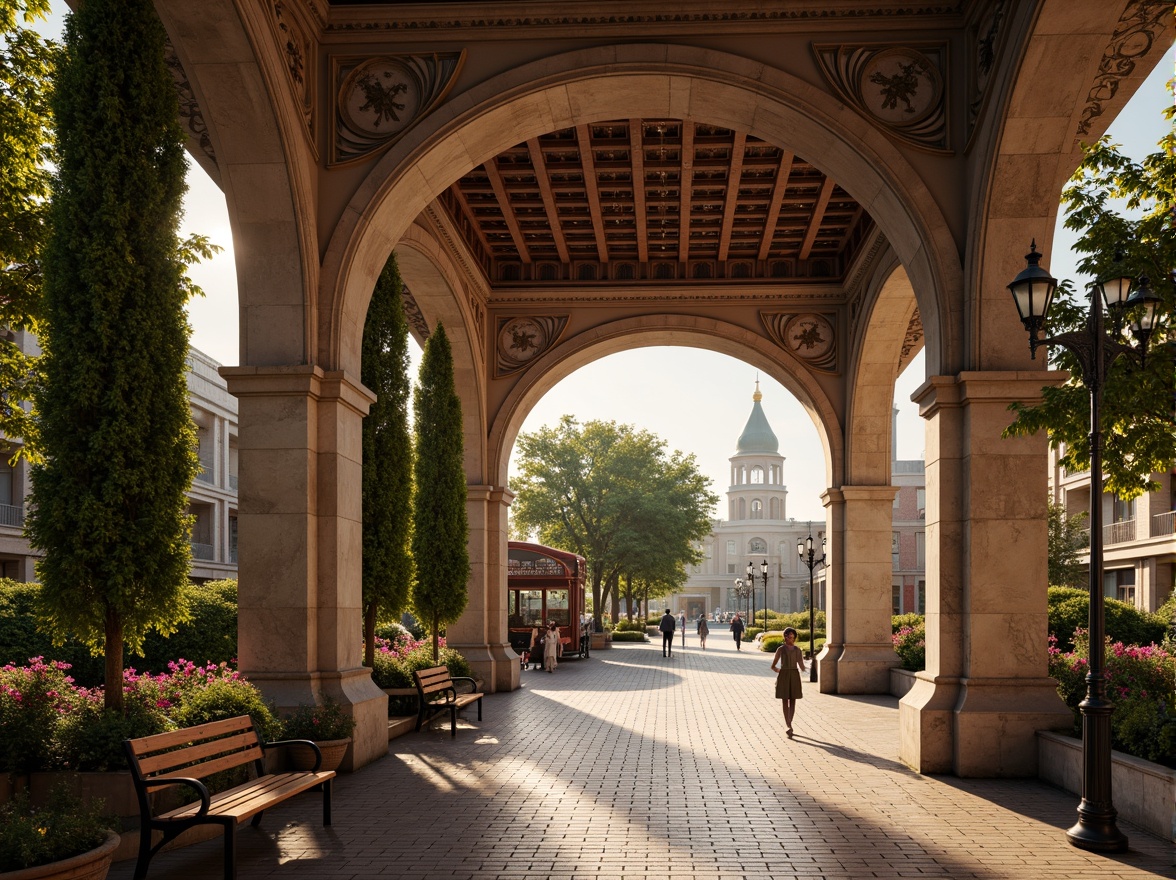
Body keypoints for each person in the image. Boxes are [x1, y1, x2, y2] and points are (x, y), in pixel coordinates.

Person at [770, 626, 807, 737]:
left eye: (792, 637)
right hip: (784, 675)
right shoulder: (781, 649)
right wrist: (777, 670)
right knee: (785, 700)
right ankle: (788, 725)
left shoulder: (797, 650)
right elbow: (773, 665)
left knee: (793, 699)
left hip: (794, 675)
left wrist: (808, 668)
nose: (791, 639)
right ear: (785, 637)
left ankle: (790, 723)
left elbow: (801, 665)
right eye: (788, 636)